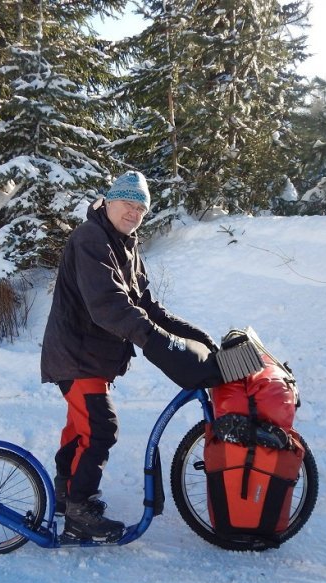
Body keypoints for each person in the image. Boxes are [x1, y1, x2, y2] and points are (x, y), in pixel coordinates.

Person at [41, 170, 222, 542]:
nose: (134, 213)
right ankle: (79, 512)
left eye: (141, 208)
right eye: (128, 203)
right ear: (108, 201)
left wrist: (192, 335)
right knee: (100, 429)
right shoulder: (90, 238)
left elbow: (145, 305)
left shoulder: (124, 243)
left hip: (90, 358)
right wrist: (154, 342)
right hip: (77, 356)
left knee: (82, 429)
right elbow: (108, 307)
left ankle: (65, 496)